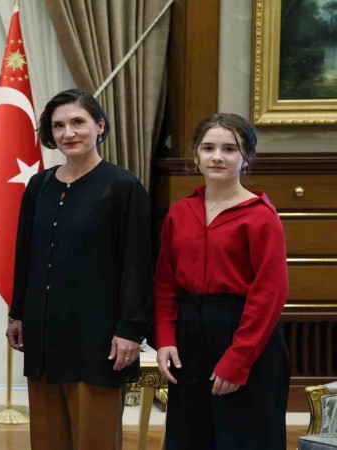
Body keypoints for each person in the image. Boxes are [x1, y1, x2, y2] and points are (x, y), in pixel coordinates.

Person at [5, 88, 153, 450]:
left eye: (77, 122)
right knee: (46, 440)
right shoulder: (39, 185)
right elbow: (25, 255)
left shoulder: (123, 186)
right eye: (58, 126)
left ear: (99, 126)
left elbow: (138, 265)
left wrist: (130, 331)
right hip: (43, 334)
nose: (68, 132)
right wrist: (18, 313)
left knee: (94, 440)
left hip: (98, 339)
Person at [154, 113, 289, 449]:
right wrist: (166, 338)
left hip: (244, 333)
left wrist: (238, 359)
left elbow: (270, 293)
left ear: (246, 158)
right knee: (190, 435)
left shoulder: (261, 217)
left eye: (229, 149)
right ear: (196, 156)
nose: (217, 156)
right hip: (190, 333)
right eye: (208, 148)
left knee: (244, 436)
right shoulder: (180, 213)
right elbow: (165, 282)